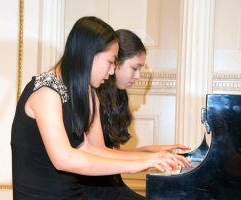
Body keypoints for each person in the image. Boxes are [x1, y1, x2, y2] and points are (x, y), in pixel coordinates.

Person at [11, 17, 189, 200]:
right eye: (111, 62)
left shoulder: (85, 90)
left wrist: (148, 157)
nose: (112, 71)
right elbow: (64, 159)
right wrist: (135, 164)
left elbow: (89, 149)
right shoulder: (46, 92)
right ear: (90, 54)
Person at [79, 29, 191, 199]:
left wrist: (150, 151)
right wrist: (148, 156)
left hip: (110, 183)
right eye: (134, 68)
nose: (138, 76)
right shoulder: (92, 95)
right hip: (92, 187)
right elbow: (97, 152)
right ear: (115, 63)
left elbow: (111, 151)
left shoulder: (118, 95)